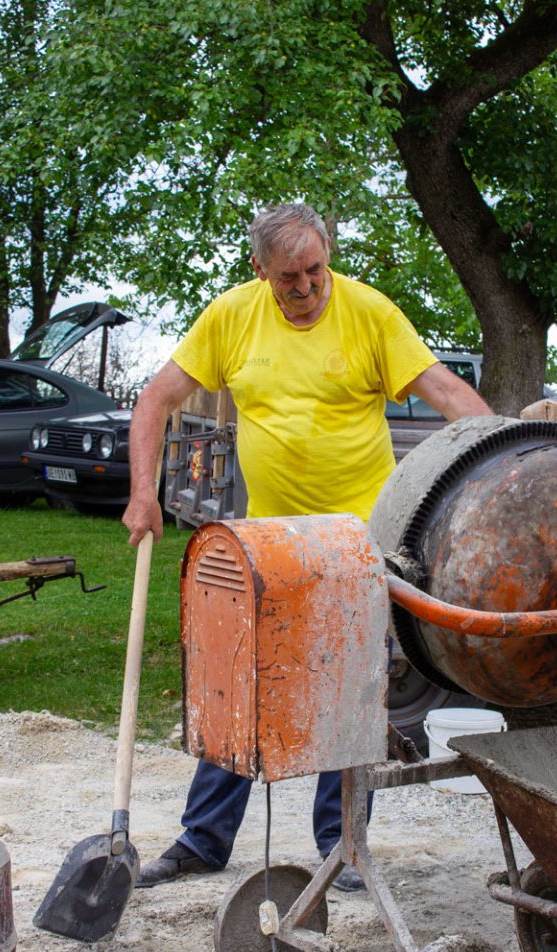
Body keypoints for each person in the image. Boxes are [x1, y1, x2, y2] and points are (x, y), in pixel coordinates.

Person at [123, 202, 492, 891]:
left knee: (350, 692)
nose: (306, 288)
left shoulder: (370, 313)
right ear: (260, 270)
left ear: (329, 256)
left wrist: (502, 454)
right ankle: (202, 841)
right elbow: (155, 400)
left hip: (358, 539)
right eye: (289, 276)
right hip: (267, 540)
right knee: (238, 682)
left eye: (316, 269)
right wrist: (143, 491)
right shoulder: (230, 316)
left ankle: (342, 847)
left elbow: (445, 391)